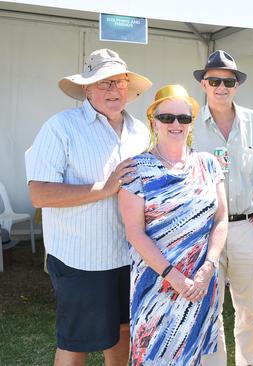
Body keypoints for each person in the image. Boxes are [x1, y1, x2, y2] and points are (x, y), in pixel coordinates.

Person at [25, 48, 151, 366]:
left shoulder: (142, 132)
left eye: (119, 82)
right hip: (81, 258)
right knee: (75, 342)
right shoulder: (61, 127)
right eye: (104, 83)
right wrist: (103, 188)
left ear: (128, 87)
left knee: (124, 332)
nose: (113, 90)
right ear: (87, 88)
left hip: (131, 256)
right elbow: (39, 194)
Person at [118, 85, 228, 365]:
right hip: (157, 283)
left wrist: (209, 267)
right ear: (154, 121)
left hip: (201, 283)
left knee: (193, 356)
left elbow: (221, 219)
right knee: (154, 356)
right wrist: (173, 277)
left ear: (191, 123)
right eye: (167, 118)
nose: (176, 124)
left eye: (184, 118)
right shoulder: (136, 169)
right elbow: (134, 232)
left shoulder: (209, 164)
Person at [191, 49, 253, 366]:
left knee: (247, 308)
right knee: (209, 308)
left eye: (228, 81)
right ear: (204, 84)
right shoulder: (188, 125)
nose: (221, 87)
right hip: (204, 231)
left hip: (247, 228)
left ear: (236, 85)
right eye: (215, 81)